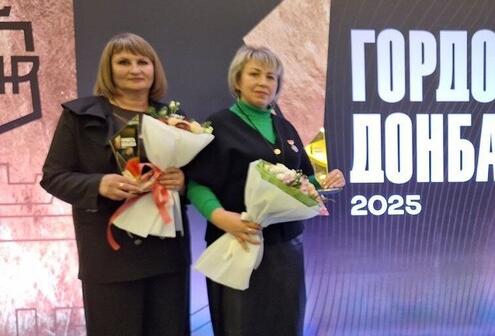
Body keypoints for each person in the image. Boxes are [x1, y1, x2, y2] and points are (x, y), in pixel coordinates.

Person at [184, 44, 345, 336]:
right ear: (237, 80)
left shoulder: (285, 127)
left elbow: (303, 180)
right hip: (238, 242)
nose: (263, 82)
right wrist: (221, 218)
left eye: (271, 77)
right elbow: (197, 183)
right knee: (241, 326)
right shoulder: (218, 125)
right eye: (254, 74)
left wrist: (325, 183)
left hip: (286, 249)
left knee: (286, 324)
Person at [41, 33, 190, 336]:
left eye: (142, 62)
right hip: (109, 257)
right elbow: (53, 176)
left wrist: (183, 182)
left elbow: (198, 178)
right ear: (108, 70)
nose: (135, 69)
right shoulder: (79, 117)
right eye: (123, 62)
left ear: (154, 69)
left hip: (166, 256)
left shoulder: (175, 119)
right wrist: (99, 184)